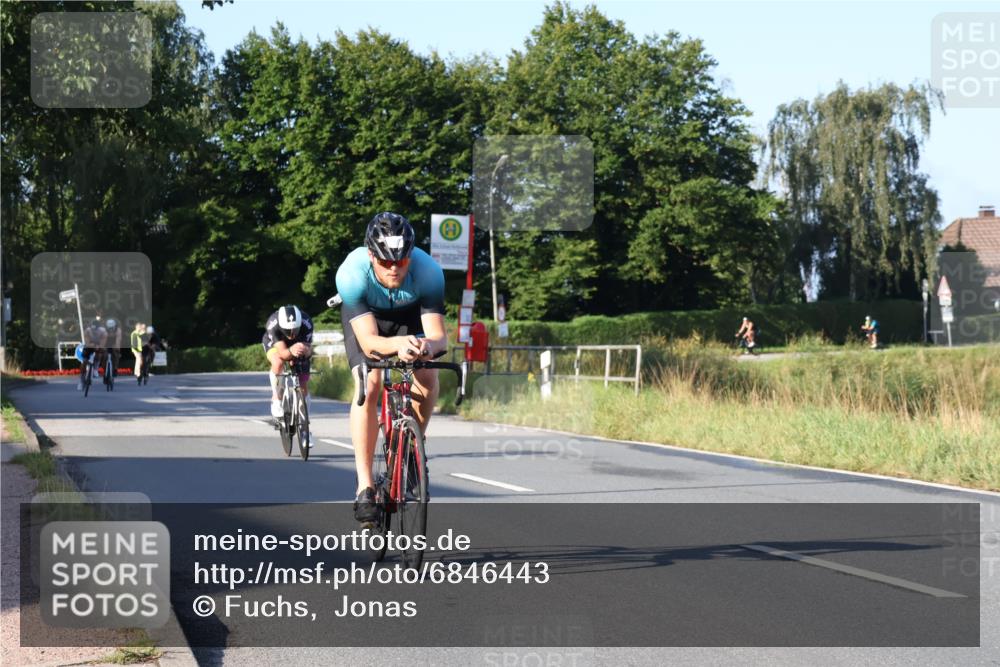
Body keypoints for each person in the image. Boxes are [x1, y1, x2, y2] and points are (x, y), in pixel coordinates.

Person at [335, 212, 447, 524]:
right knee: (368, 383)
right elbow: (370, 343)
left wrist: (427, 346)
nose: (394, 269)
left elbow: (439, 338)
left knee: (427, 372)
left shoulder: (429, 273)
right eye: (385, 262)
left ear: (411, 255)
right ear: (371, 256)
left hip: (409, 315)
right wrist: (398, 345)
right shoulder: (351, 274)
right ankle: (365, 486)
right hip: (367, 318)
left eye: (401, 261)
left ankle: (412, 450)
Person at [262, 305, 314, 448]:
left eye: (294, 330)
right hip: (275, 344)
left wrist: (305, 351)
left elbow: (309, 351)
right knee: (278, 362)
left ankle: (305, 428)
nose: (291, 334)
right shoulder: (273, 323)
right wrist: (291, 350)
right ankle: (276, 398)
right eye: (288, 331)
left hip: (297, 345)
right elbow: (284, 353)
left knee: (303, 382)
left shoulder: (306, 322)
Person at [78, 320, 107, 390]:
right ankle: (81, 381)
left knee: (101, 354)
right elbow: (87, 343)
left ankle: (96, 368)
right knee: (84, 362)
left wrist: (99, 346)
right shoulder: (87, 331)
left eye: (95, 329)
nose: (94, 331)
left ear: (99, 328)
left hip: (99, 345)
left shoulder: (103, 332)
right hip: (89, 346)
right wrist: (93, 345)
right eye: (92, 329)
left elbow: (103, 343)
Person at [104, 318, 123, 383]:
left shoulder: (118, 330)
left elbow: (118, 339)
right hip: (106, 343)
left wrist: (117, 348)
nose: (111, 329)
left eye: (112, 328)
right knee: (104, 356)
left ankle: (115, 368)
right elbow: (103, 340)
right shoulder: (104, 330)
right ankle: (105, 371)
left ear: (114, 326)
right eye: (109, 328)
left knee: (116, 355)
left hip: (114, 343)